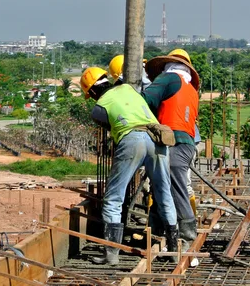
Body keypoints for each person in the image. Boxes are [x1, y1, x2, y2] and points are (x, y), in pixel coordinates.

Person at [80, 66, 178, 266]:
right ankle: (174, 250)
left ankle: (111, 255)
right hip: (157, 137)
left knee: (114, 198)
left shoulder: (99, 107)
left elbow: (110, 125)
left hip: (132, 140)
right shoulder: (128, 89)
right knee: (164, 192)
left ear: (91, 92)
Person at [142, 48, 199, 250]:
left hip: (173, 142)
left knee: (174, 186)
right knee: (161, 184)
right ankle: (157, 230)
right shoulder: (189, 88)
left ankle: (187, 235)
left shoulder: (169, 79)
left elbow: (146, 100)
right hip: (186, 144)